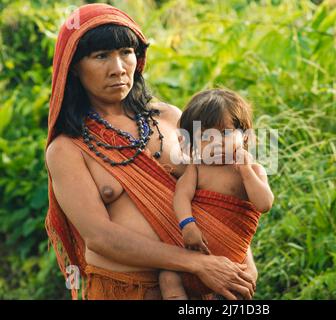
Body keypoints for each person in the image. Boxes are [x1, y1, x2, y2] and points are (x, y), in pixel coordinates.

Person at [45, 3, 257, 300]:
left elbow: (221, 188)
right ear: (74, 67)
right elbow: (100, 237)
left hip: (206, 286)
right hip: (126, 290)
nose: (118, 68)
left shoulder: (171, 118)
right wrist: (198, 263)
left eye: (126, 53)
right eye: (101, 56)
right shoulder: (67, 149)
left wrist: (240, 260)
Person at [158, 89, 274, 300]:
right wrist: (188, 225)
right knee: (168, 277)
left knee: (240, 288)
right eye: (205, 136)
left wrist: (246, 171)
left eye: (227, 133)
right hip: (194, 253)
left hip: (233, 262)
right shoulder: (197, 168)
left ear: (245, 135)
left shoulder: (253, 170)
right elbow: (181, 196)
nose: (218, 142)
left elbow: (264, 204)